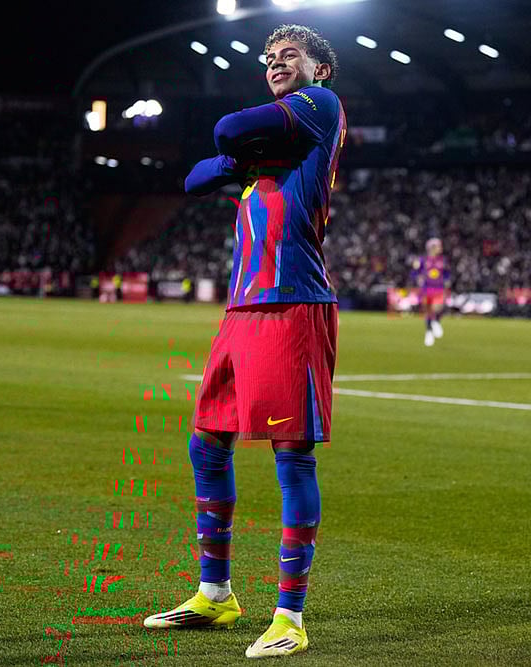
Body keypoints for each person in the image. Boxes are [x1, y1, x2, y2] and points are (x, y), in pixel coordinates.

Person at [143, 24, 345, 660]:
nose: (277, 64)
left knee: (292, 455)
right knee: (207, 443)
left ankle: (289, 617)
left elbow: (227, 132)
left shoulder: (321, 107)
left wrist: (241, 153)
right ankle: (216, 591)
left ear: (320, 70)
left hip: (293, 307)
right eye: (270, 59)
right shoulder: (277, 143)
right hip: (240, 311)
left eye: (291, 56)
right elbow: (196, 179)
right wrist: (243, 158)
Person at [412, 238, 449, 347]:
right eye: (438, 246)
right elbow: (414, 273)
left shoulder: (443, 260)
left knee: (438, 308)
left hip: (438, 289)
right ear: (432, 248)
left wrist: (447, 280)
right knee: (428, 311)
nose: (440, 248)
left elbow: (447, 273)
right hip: (426, 289)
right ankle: (429, 332)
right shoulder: (422, 260)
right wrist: (418, 277)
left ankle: (435, 322)